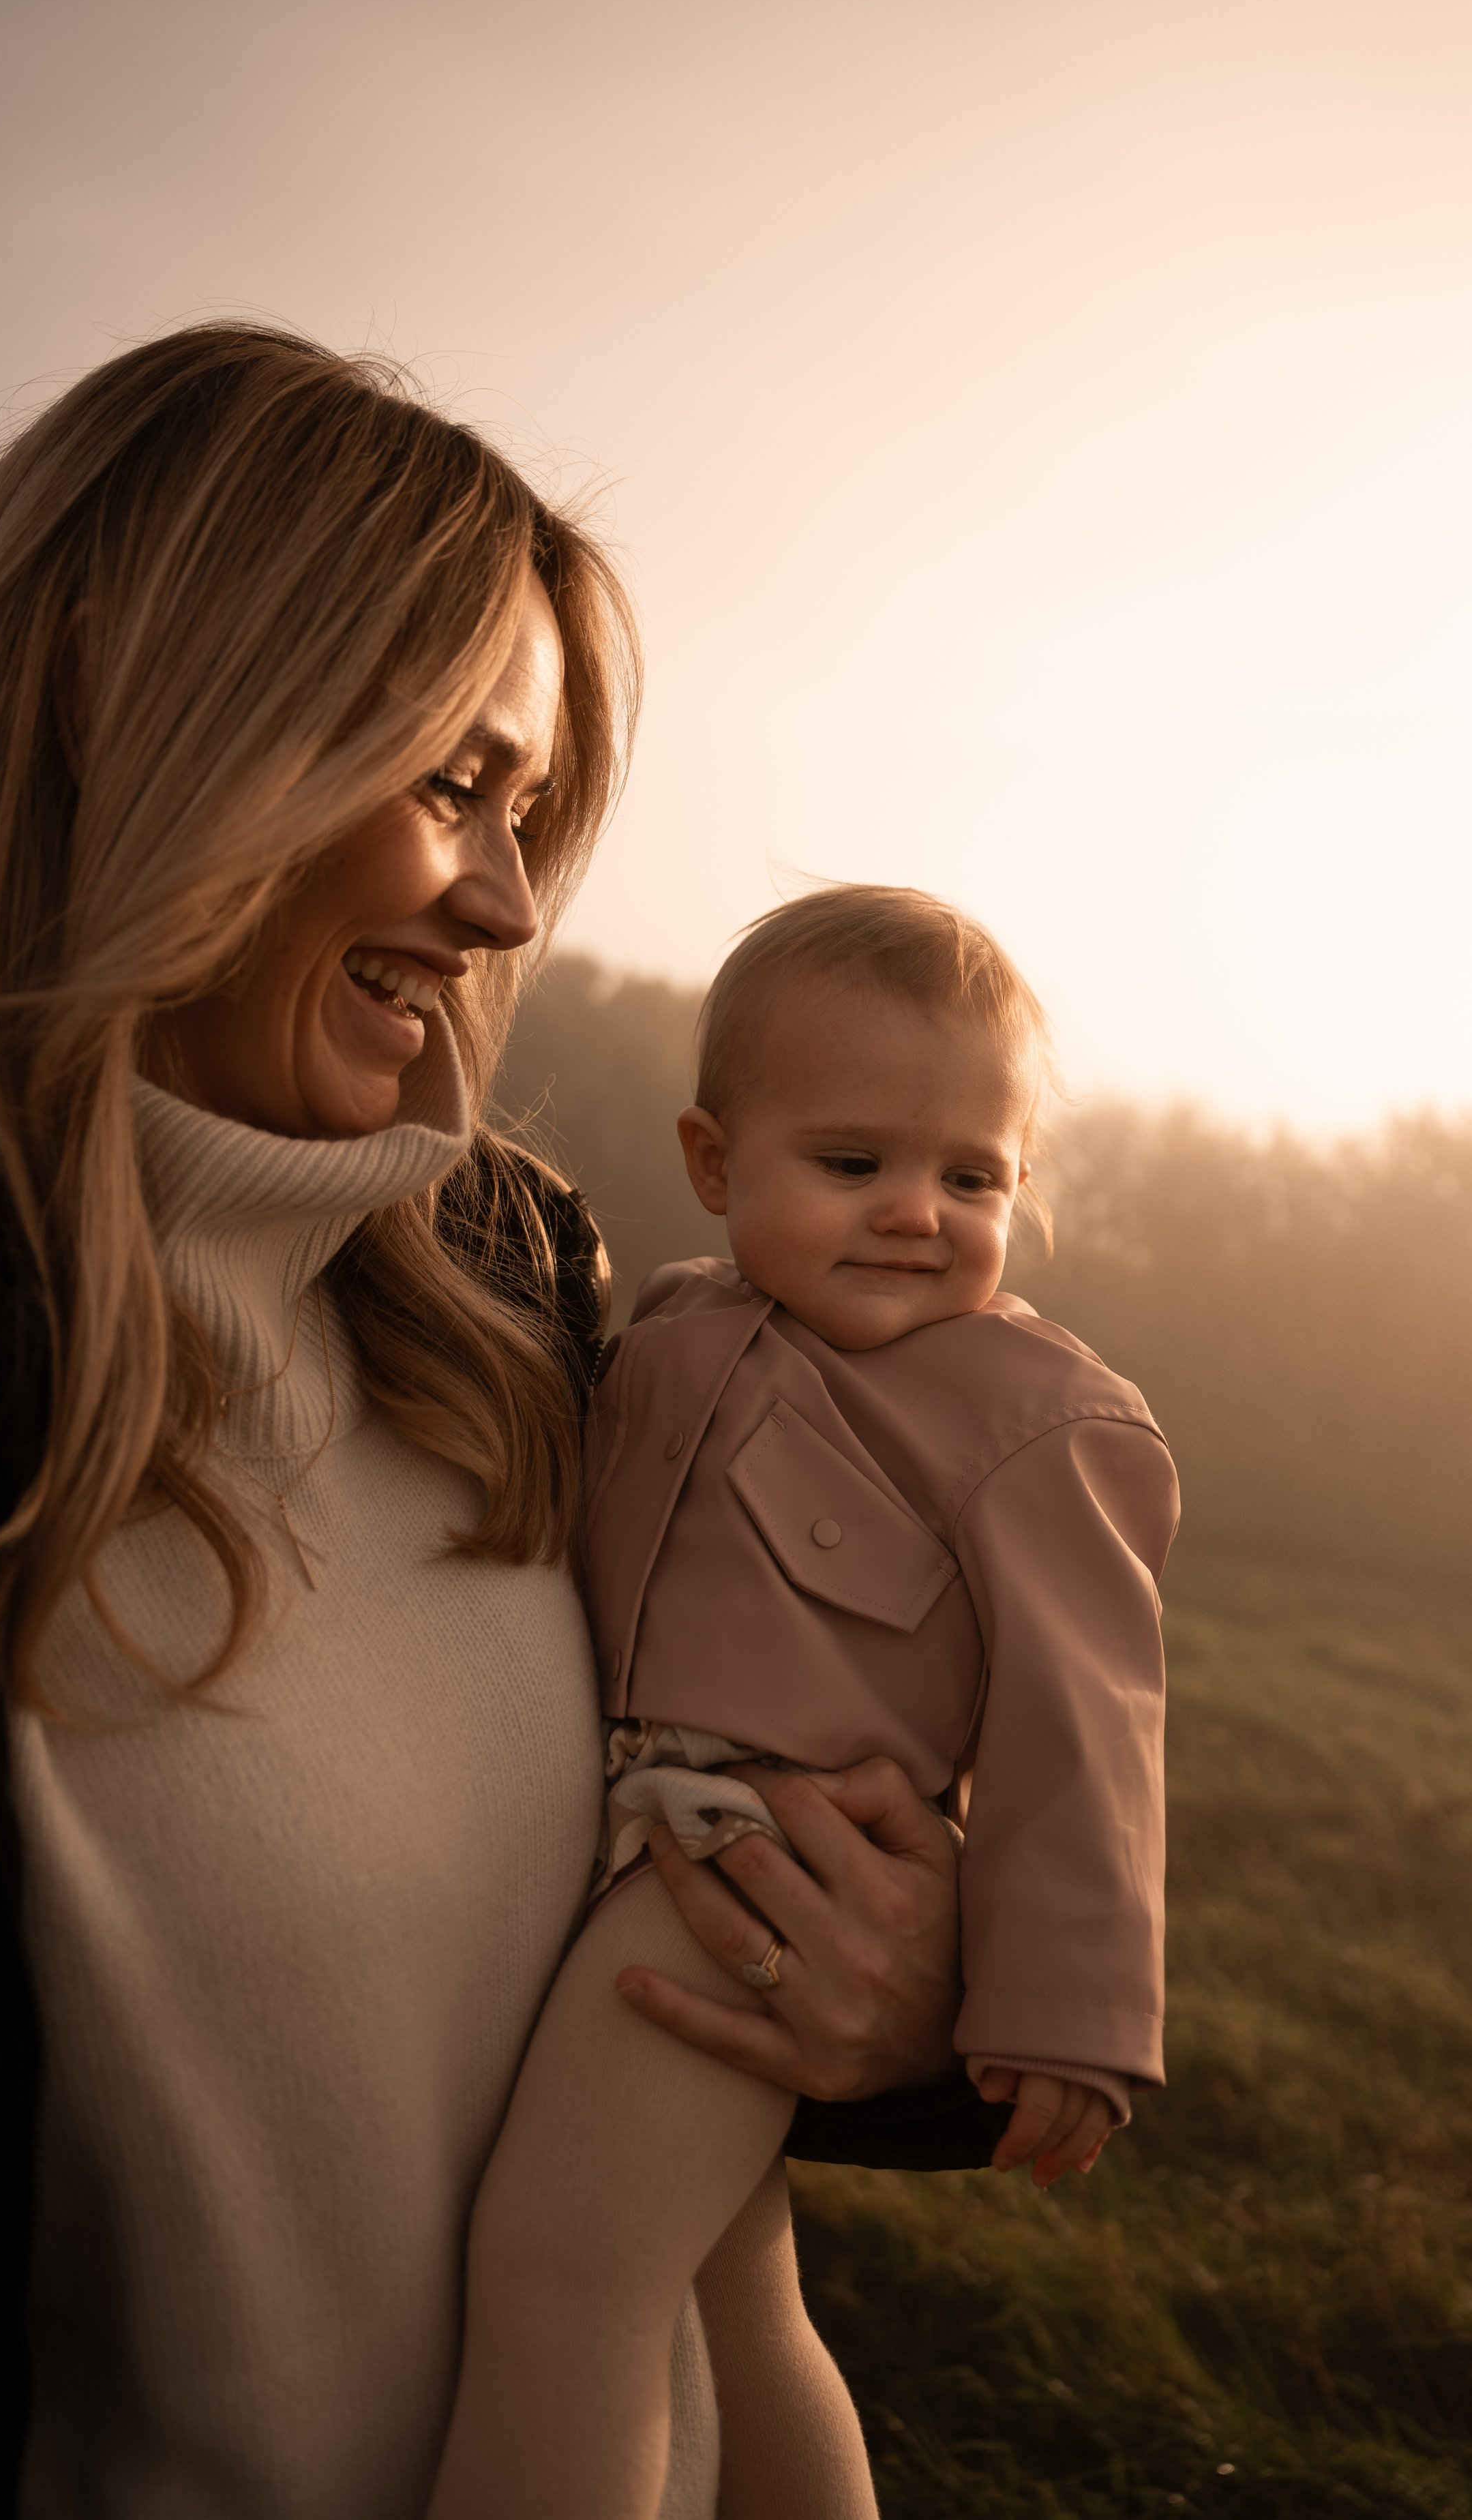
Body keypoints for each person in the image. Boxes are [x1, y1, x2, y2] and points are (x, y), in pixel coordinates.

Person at [0, 327, 982, 2520]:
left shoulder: (520, 1290)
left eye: (529, 814)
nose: (512, 903)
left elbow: (719, 1860)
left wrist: (912, 2003)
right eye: (450, 782)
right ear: (115, 702)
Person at [428, 886, 1179, 2520]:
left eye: (969, 1175)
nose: (916, 1212)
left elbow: (1088, 1734)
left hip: (745, 1859)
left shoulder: (1037, 1417)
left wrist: (1067, 2014)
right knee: (726, 2297)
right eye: (853, 1166)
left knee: (564, 2275)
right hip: (615, 1833)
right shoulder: (669, 1328)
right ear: (714, 1166)